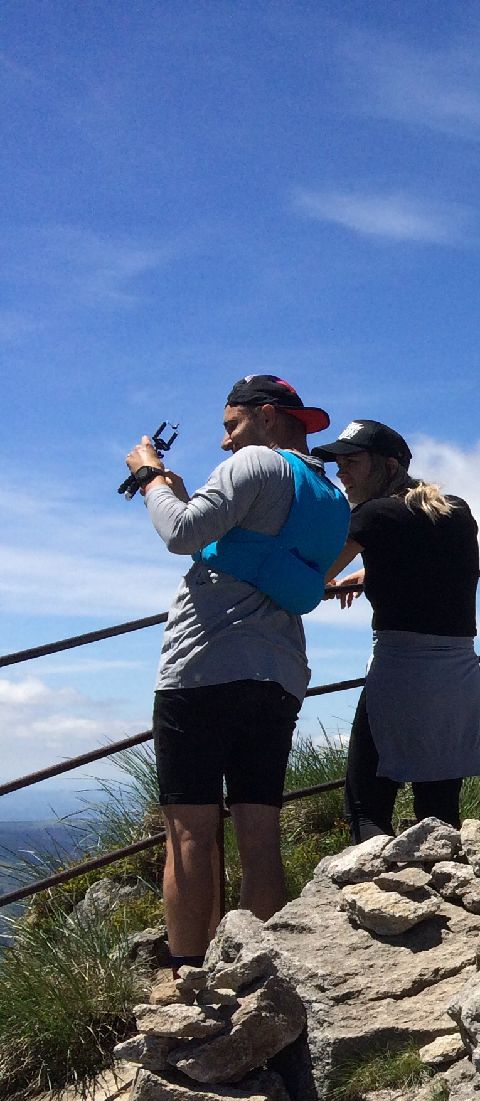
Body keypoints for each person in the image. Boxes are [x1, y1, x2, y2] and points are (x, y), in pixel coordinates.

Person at [125, 375, 351, 967]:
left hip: (203, 666)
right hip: (277, 675)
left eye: (232, 426)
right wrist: (181, 493)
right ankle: (258, 971)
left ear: (267, 416)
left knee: (190, 834)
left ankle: (189, 978)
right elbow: (266, 548)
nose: (226, 442)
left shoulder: (255, 462)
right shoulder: (329, 496)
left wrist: (150, 477)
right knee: (259, 835)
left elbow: (182, 533)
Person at [311, 419, 480, 843]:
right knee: (439, 811)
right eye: (339, 463)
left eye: (352, 462)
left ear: (389, 466)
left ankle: (374, 883)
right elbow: (426, 561)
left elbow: (312, 575)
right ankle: (445, 879)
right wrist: (370, 573)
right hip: (458, 676)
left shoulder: (373, 515)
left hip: (401, 673)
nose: (342, 472)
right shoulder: (455, 510)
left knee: (366, 806)